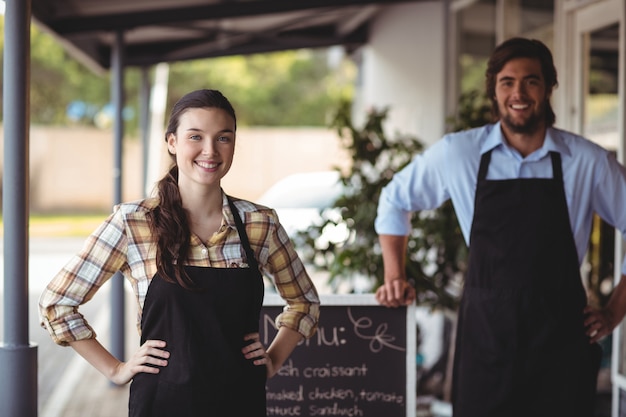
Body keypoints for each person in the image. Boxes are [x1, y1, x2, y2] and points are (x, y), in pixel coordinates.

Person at [374, 37, 626, 416]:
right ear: (494, 89)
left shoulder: (587, 161)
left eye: (531, 81)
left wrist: (614, 310)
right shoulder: (459, 153)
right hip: (486, 342)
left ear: (549, 88)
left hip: (559, 346)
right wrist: (394, 274)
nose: (518, 93)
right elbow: (395, 199)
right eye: (507, 82)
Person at [39, 89, 320, 417]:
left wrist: (272, 359)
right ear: (172, 142)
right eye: (195, 136)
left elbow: (304, 302)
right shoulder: (134, 222)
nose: (210, 150)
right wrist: (115, 370)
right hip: (161, 403)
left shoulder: (259, 224)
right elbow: (57, 303)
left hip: (239, 401)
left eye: (223, 138)